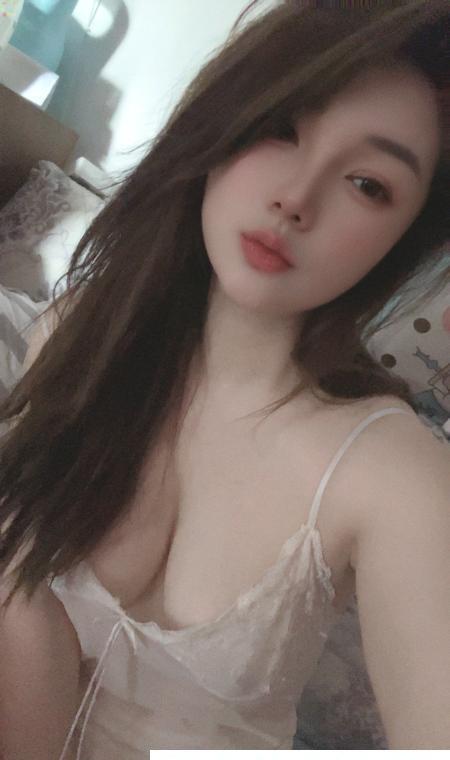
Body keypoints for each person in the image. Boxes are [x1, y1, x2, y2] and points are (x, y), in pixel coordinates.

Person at [0, 0, 449, 756]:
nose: (295, 199)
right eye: (281, 128)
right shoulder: (78, 329)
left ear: (404, 237)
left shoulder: (393, 474)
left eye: (368, 184)